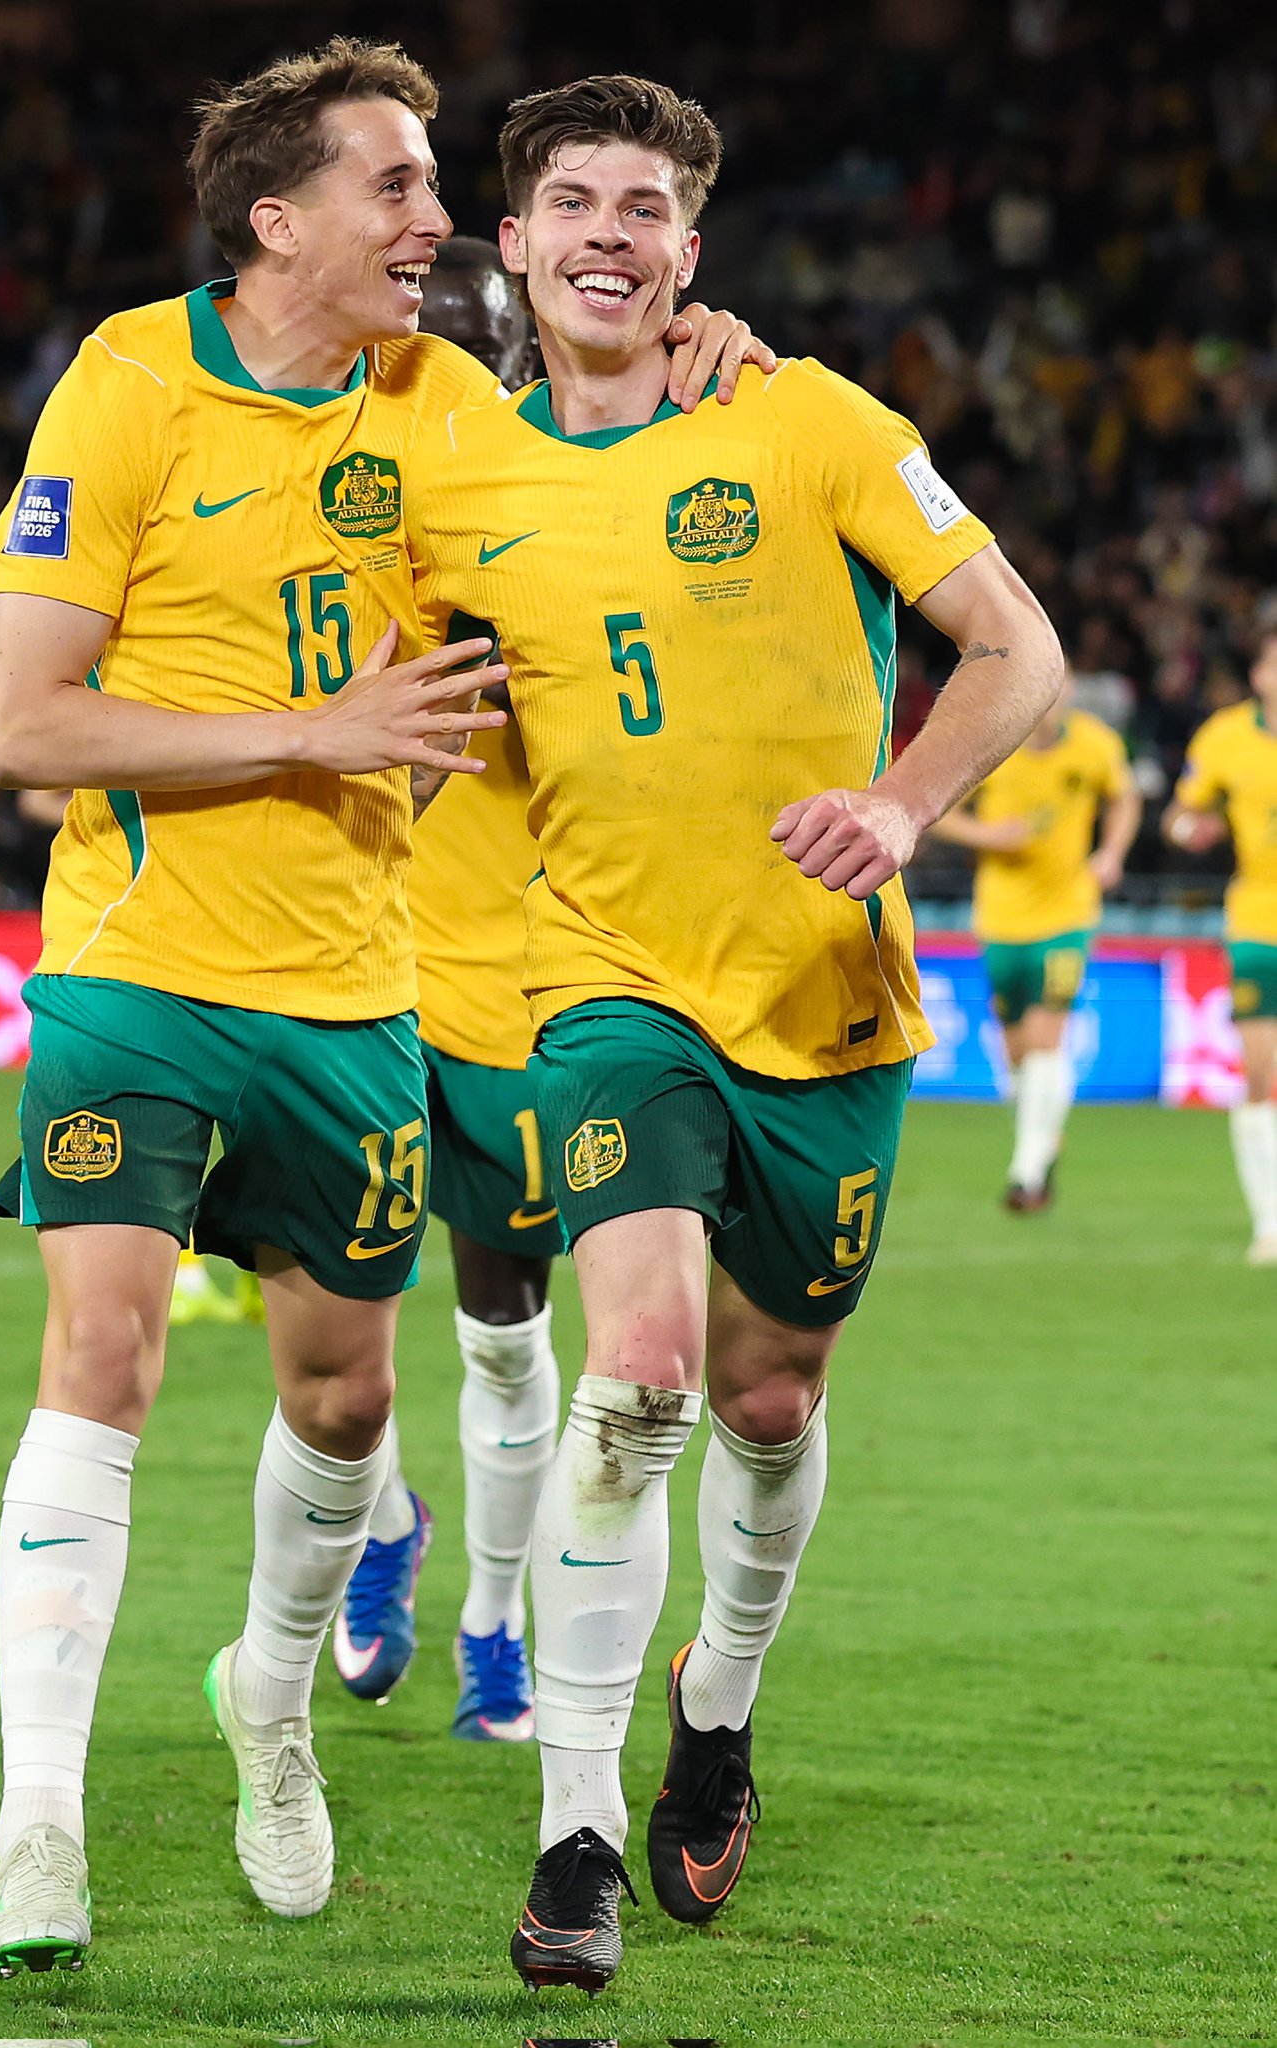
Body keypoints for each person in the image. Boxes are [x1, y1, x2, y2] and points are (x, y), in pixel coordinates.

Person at [0, 37, 762, 1974]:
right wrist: (309, 730)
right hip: (134, 969)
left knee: (343, 1401)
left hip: (352, 995)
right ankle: (39, 1825)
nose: (437, 223)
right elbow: (26, 727)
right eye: (397, 185)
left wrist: (698, 359)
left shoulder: (443, 404)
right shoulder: (128, 384)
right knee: (105, 1355)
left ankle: (269, 1699)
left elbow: (602, 465)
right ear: (278, 216)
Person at [407, 74, 1064, 1993]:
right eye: (572, 204)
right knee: (637, 1373)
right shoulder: (456, 478)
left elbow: (1013, 645)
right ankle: (574, 1831)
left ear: (689, 252)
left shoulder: (806, 419)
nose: (607, 236)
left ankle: (718, 1703)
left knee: (770, 1404)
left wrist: (904, 802)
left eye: (645, 209)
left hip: (822, 994)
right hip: (602, 988)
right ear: (512, 243)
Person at [332, 239, 563, 1738]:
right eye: (419, 345)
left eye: (478, 348)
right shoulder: (331, 497)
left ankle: (493, 1622)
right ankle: (383, 1526)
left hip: (504, 989)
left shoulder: (557, 508)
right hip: (342, 965)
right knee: (322, 1305)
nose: (443, 369)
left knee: (501, 1326)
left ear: (523, 360)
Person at [931, 674, 1139, 1209]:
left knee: (1048, 1037)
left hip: (1068, 915)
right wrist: (987, 835)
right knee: (1016, 1052)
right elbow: (936, 809)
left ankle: (1025, 1170)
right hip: (1001, 919)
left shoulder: (1095, 745)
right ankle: (1043, 1145)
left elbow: (1124, 799)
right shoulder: (992, 742)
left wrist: (1110, 854)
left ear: (1067, 692)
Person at [1164, 628, 1277, 1262]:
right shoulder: (1224, 738)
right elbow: (1179, 816)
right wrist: (1191, 830)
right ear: (1258, 674)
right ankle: (1270, 1222)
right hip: (1259, 921)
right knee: (1260, 1074)